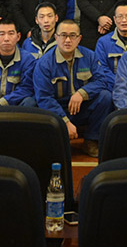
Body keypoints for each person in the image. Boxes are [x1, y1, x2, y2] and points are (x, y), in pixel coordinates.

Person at [33, 20, 112, 157]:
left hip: (81, 108)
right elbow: (44, 97)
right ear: (56, 37)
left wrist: (82, 93)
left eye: (72, 36)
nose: (68, 40)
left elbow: (101, 81)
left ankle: (91, 140)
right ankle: (51, 141)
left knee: (106, 97)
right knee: (32, 104)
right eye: (63, 35)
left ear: (79, 38)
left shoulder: (90, 56)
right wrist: (64, 120)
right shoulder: (44, 63)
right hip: (57, 111)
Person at [94, 1, 127, 87]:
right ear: (114, 19)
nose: (124, 20)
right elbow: (102, 69)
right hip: (112, 87)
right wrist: (121, 84)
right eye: (120, 16)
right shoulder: (103, 42)